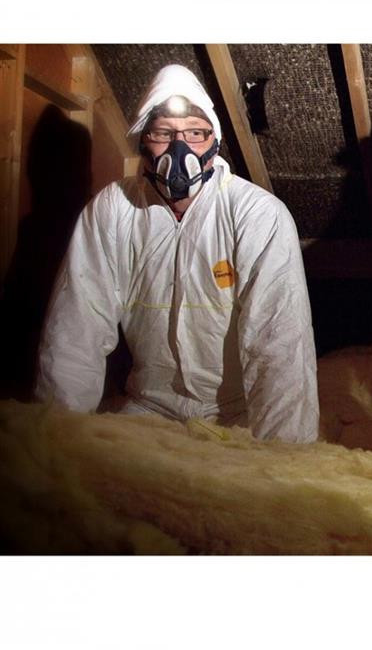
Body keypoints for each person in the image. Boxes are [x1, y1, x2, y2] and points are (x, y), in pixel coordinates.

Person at [36, 64, 318, 441]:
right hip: (148, 410)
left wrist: (284, 457)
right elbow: (76, 329)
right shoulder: (114, 209)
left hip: (236, 414)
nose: (180, 147)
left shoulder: (256, 214)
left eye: (195, 133)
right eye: (163, 133)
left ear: (214, 142)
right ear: (143, 140)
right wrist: (56, 439)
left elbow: (279, 344)